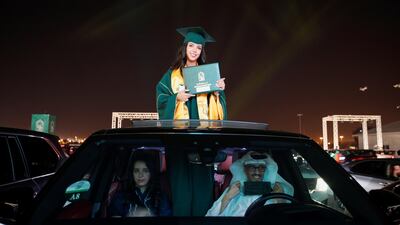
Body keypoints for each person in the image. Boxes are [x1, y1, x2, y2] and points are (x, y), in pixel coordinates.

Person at [156, 26, 227, 120]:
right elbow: (161, 99)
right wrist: (176, 97)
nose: (194, 50)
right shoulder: (172, 74)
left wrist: (218, 90)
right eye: (191, 45)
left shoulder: (208, 74)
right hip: (181, 130)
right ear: (185, 47)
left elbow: (215, 106)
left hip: (203, 128)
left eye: (199, 48)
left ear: (201, 51)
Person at [206, 151, 294, 216]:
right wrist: (227, 197)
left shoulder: (275, 192)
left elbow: (285, 219)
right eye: (252, 167)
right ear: (245, 169)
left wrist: (280, 198)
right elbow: (211, 217)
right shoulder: (234, 189)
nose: (257, 172)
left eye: (261, 167)